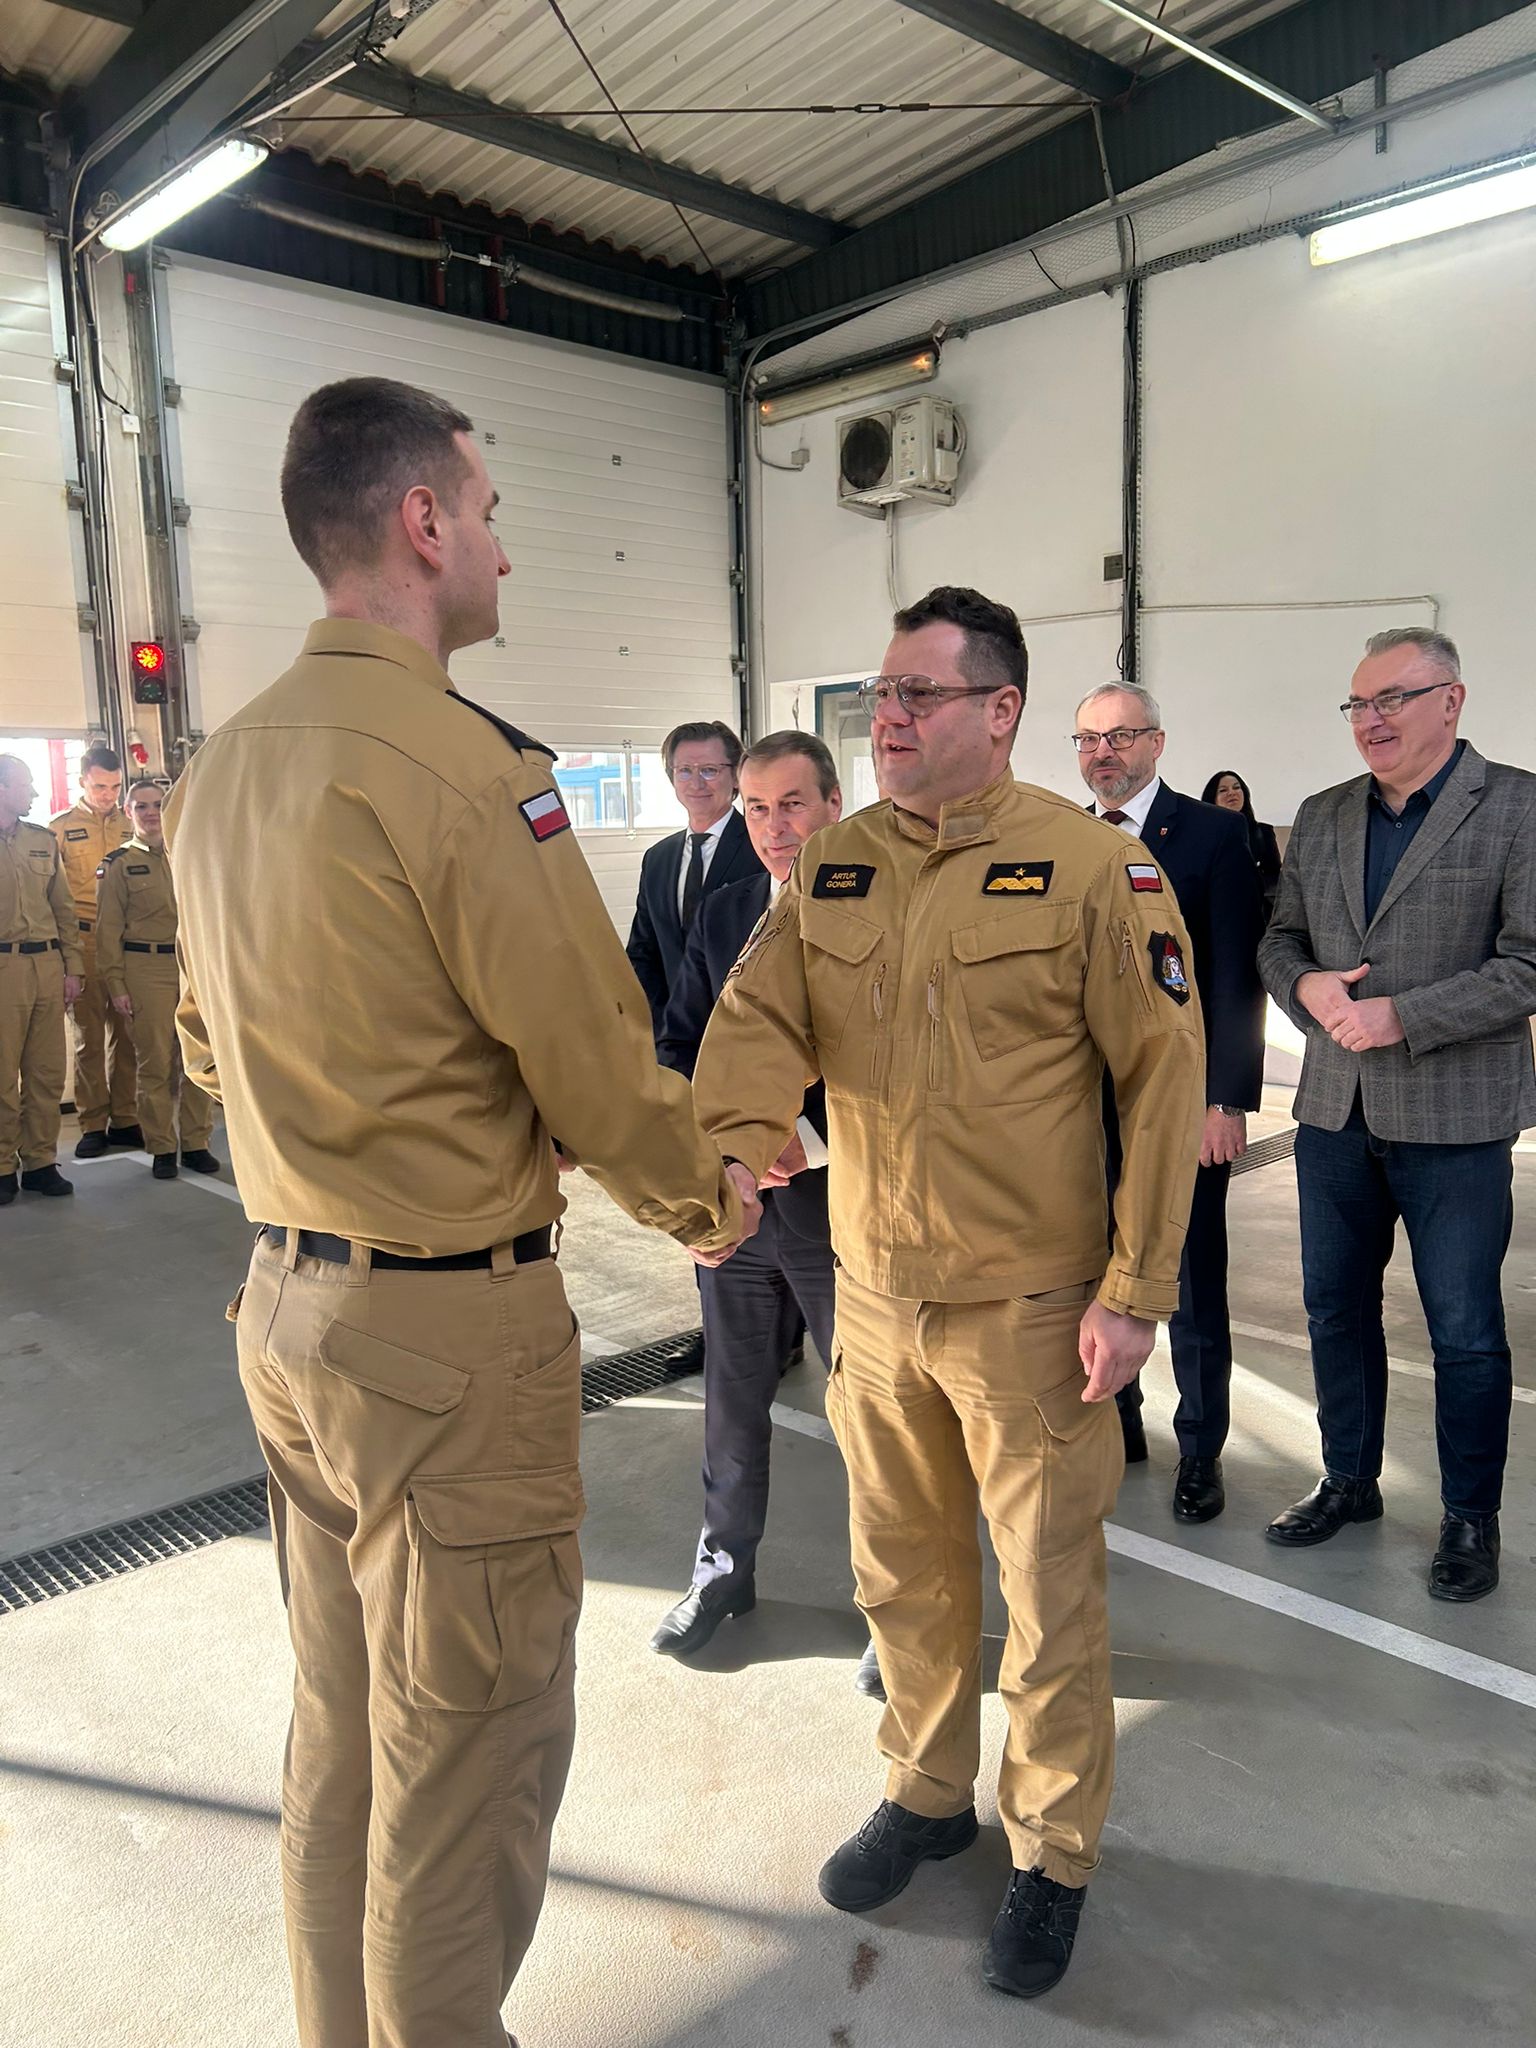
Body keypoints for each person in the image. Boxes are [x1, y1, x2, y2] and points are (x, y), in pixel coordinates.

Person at [163, 375, 760, 2048]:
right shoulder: (465, 767)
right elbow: (590, 1057)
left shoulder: (220, 769)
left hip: (288, 1311)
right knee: (467, 1761)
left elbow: (208, 1041)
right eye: (489, 510)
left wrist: (387, 1108)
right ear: (423, 522)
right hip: (442, 1337)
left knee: (347, 1734)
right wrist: (707, 1200)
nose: (503, 543)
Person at [693, 587, 1204, 1999]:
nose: (893, 717)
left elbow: (1164, 1082)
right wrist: (728, 1155)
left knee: (1047, 1597)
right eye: (884, 694)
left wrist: (1136, 1290)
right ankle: (926, 1791)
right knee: (902, 1577)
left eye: (922, 693)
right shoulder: (834, 864)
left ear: (1001, 709)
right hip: (874, 1299)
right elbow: (755, 1025)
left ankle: (1054, 1851)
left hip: (1033, 1310)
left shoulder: (1095, 868)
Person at [1259, 626, 1536, 1604]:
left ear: (1451, 701)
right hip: (1335, 1110)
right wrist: (1308, 988)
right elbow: (1282, 938)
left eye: (1392, 699)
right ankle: (1349, 1477)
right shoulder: (1324, 813)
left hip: (1456, 1120)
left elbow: (1528, 963)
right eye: (1358, 703)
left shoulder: (1517, 806)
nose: (1370, 720)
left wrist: (1403, 1015)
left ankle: (1469, 1515)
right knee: (1335, 1307)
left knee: (1464, 1329)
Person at [649, 730, 882, 1695]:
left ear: (833, 805)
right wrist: (718, 1156)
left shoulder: (879, 909)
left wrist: (804, 1138)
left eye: (791, 804)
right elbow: (680, 1044)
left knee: (872, 1414)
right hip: (736, 1207)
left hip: (842, 1206)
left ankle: (893, 1605)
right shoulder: (725, 911)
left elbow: (896, 1064)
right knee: (732, 1398)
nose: (772, 826)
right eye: (754, 807)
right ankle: (722, 1572)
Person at [1077, 687, 1266, 1521]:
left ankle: (1200, 1450)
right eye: (1088, 739)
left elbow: (1235, 976)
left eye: (1120, 736)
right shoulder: (1068, 837)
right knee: (1096, 1267)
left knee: (1188, 1281)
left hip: (1181, 1105)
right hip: (1084, 1109)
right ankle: (1119, 1419)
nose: (1103, 752)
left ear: (1156, 743)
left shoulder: (1213, 835)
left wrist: (1225, 1101)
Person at [93, 779, 219, 1181]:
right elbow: (107, 932)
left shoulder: (189, 854)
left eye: (157, 805)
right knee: (156, 1063)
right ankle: (162, 1147)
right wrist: (117, 985)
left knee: (198, 1058)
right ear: (128, 812)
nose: (151, 813)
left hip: (193, 967)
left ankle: (196, 1143)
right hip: (146, 969)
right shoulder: (118, 865)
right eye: (141, 806)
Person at [626, 719, 763, 1040]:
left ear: (736, 777)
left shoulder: (763, 849)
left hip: (746, 1033)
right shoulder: (657, 859)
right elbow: (643, 952)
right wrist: (665, 1026)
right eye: (684, 771)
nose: (696, 783)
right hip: (674, 1039)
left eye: (709, 770)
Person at [50, 743, 141, 1157]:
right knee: (87, 1037)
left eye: (116, 787)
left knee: (128, 1033)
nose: (109, 795)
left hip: (124, 942)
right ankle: (92, 1124)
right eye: (100, 786)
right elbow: (51, 894)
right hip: (83, 940)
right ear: (82, 781)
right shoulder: (60, 829)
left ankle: (125, 1118)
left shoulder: (131, 824)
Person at [0, 754, 83, 1202]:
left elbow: (63, 910)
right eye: (25, 785)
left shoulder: (42, 841)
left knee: (46, 1071)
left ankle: (40, 1162)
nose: (33, 793)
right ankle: (1, 1166)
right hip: (4, 969)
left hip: (47, 966)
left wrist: (73, 968)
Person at [1202, 769, 1282, 913]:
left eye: (1236, 787)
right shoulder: (1202, 836)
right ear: (1212, 798)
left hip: (1255, 911)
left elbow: (1274, 876)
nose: (1232, 793)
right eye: (1223, 790)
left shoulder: (1263, 832)